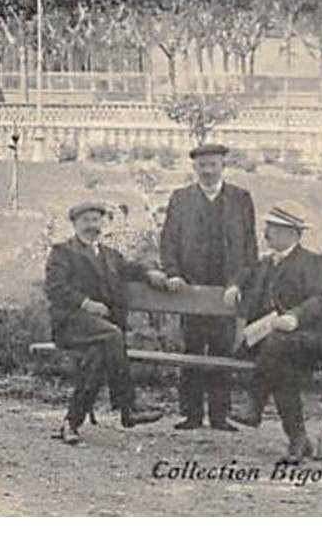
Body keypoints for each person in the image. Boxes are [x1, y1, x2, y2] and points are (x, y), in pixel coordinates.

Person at [45, 199, 168, 445]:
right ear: (75, 224)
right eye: (85, 221)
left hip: (102, 332)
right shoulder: (63, 252)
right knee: (112, 337)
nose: (92, 226)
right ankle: (128, 407)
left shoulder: (111, 255)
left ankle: (71, 423)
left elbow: (132, 269)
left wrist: (150, 273)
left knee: (97, 357)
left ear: (103, 223)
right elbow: (56, 288)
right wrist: (86, 303)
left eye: (96, 220)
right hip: (72, 324)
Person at [158, 140, 258, 431]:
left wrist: (238, 283)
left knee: (221, 350)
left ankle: (219, 415)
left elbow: (249, 248)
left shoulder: (240, 198)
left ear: (223, 166)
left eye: (213, 165)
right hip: (190, 288)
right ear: (194, 168)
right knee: (191, 348)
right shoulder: (181, 198)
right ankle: (190, 414)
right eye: (202, 166)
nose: (208, 171)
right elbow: (169, 241)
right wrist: (174, 273)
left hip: (226, 291)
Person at [232, 200, 322, 463]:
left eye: (273, 228)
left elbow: (321, 300)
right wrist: (234, 285)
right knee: (281, 366)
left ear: (291, 232)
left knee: (277, 348)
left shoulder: (313, 263)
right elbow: (243, 274)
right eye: (267, 227)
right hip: (277, 347)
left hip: (312, 341)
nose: (266, 233)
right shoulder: (266, 264)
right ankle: (298, 441)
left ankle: (255, 405)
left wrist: (294, 316)